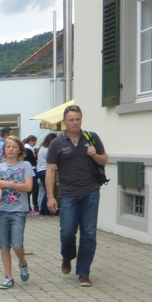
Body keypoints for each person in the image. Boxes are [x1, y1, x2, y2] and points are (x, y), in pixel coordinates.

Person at [46, 105, 108, 287]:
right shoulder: (57, 143)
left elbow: (105, 159)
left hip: (91, 191)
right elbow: (50, 171)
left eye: (77, 119)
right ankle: (67, 256)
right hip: (68, 194)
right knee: (67, 232)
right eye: (71, 119)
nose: (74, 122)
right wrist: (50, 196)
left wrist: (95, 155)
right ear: (65, 121)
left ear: (81, 119)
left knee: (89, 233)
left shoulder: (92, 138)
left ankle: (83, 272)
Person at [0, 135, 34, 289]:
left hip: (19, 210)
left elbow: (28, 187)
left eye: (14, 147)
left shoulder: (25, 165)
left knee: (17, 245)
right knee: (4, 245)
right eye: (8, 147)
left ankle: (22, 262)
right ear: (3, 150)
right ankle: (8, 276)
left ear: (19, 149)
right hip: (2, 211)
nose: (11, 149)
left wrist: (7, 183)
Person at [36, 133, 55, 216]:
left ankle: (43, 209)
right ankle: (44, 210)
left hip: (39, 170)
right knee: (48, 191)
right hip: (45, 170)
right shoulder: (49, 149)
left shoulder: (42, 147)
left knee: (44, 191)